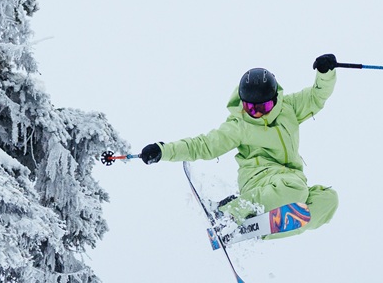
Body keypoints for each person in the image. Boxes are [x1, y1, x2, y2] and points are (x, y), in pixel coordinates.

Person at [139, 54, 340, 244]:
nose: (258, 113)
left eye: (264, 107)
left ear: (276, 99)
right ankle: (227, 212)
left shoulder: (289, 107)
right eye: (251, 109)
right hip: (259, 179)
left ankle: (255, 229)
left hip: (289, 179)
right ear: (243, 104)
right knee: (295, 189)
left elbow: (316, 96)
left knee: (328, 200)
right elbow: (204, 145)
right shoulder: (239, 125)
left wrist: (325, 73)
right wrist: (162, 150)